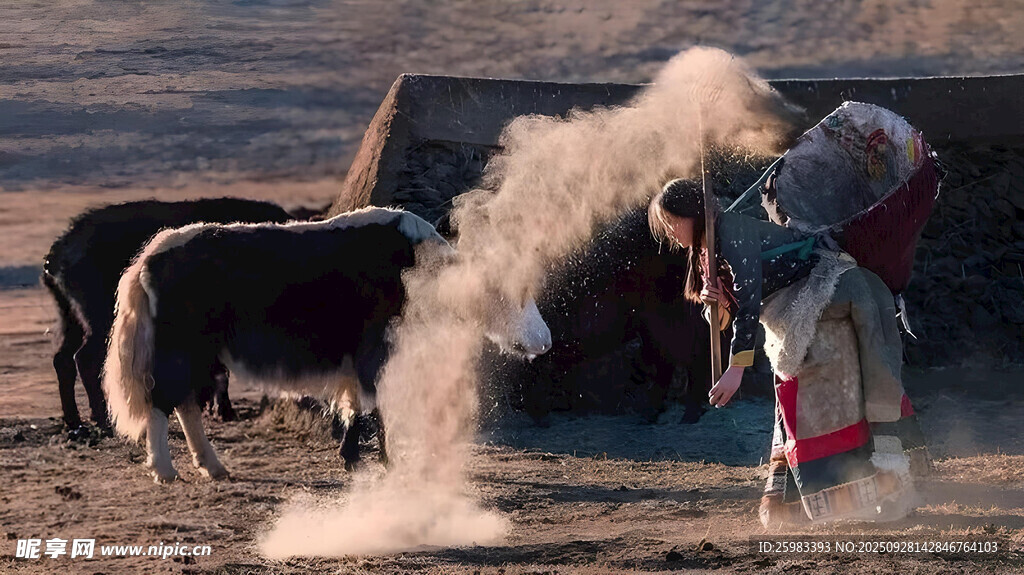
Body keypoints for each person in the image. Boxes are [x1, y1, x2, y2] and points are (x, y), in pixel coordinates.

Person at [648, 178, 926, 528]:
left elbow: (748, 305)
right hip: (792, 315)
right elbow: (729, 312)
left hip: (827, 296)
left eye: (673, 221)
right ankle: (796, 502)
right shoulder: (707, 249)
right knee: (794, 396)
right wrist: (714, 302)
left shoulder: (729, 231)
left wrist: (736, 369)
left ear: (693, 214)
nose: (671, 232)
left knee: (814, 390)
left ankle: (880, 489)